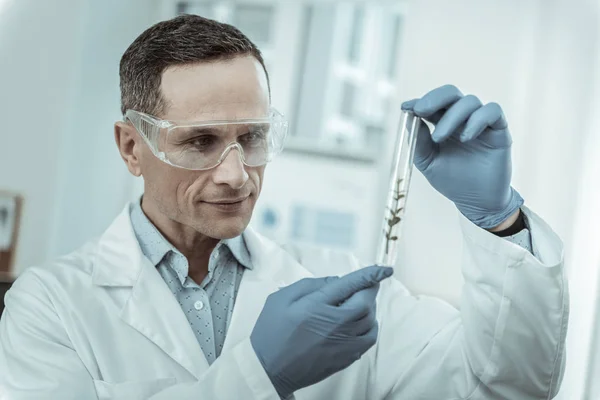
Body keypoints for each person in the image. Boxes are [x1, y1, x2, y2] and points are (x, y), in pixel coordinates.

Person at [0, 14, 568, 400]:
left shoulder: (336, 283)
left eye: (251, 138)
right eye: (200, 142)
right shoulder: (51, 307)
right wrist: (261, 373)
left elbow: (504, 389)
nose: (235, 173)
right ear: (132, 147)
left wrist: (498, 220)